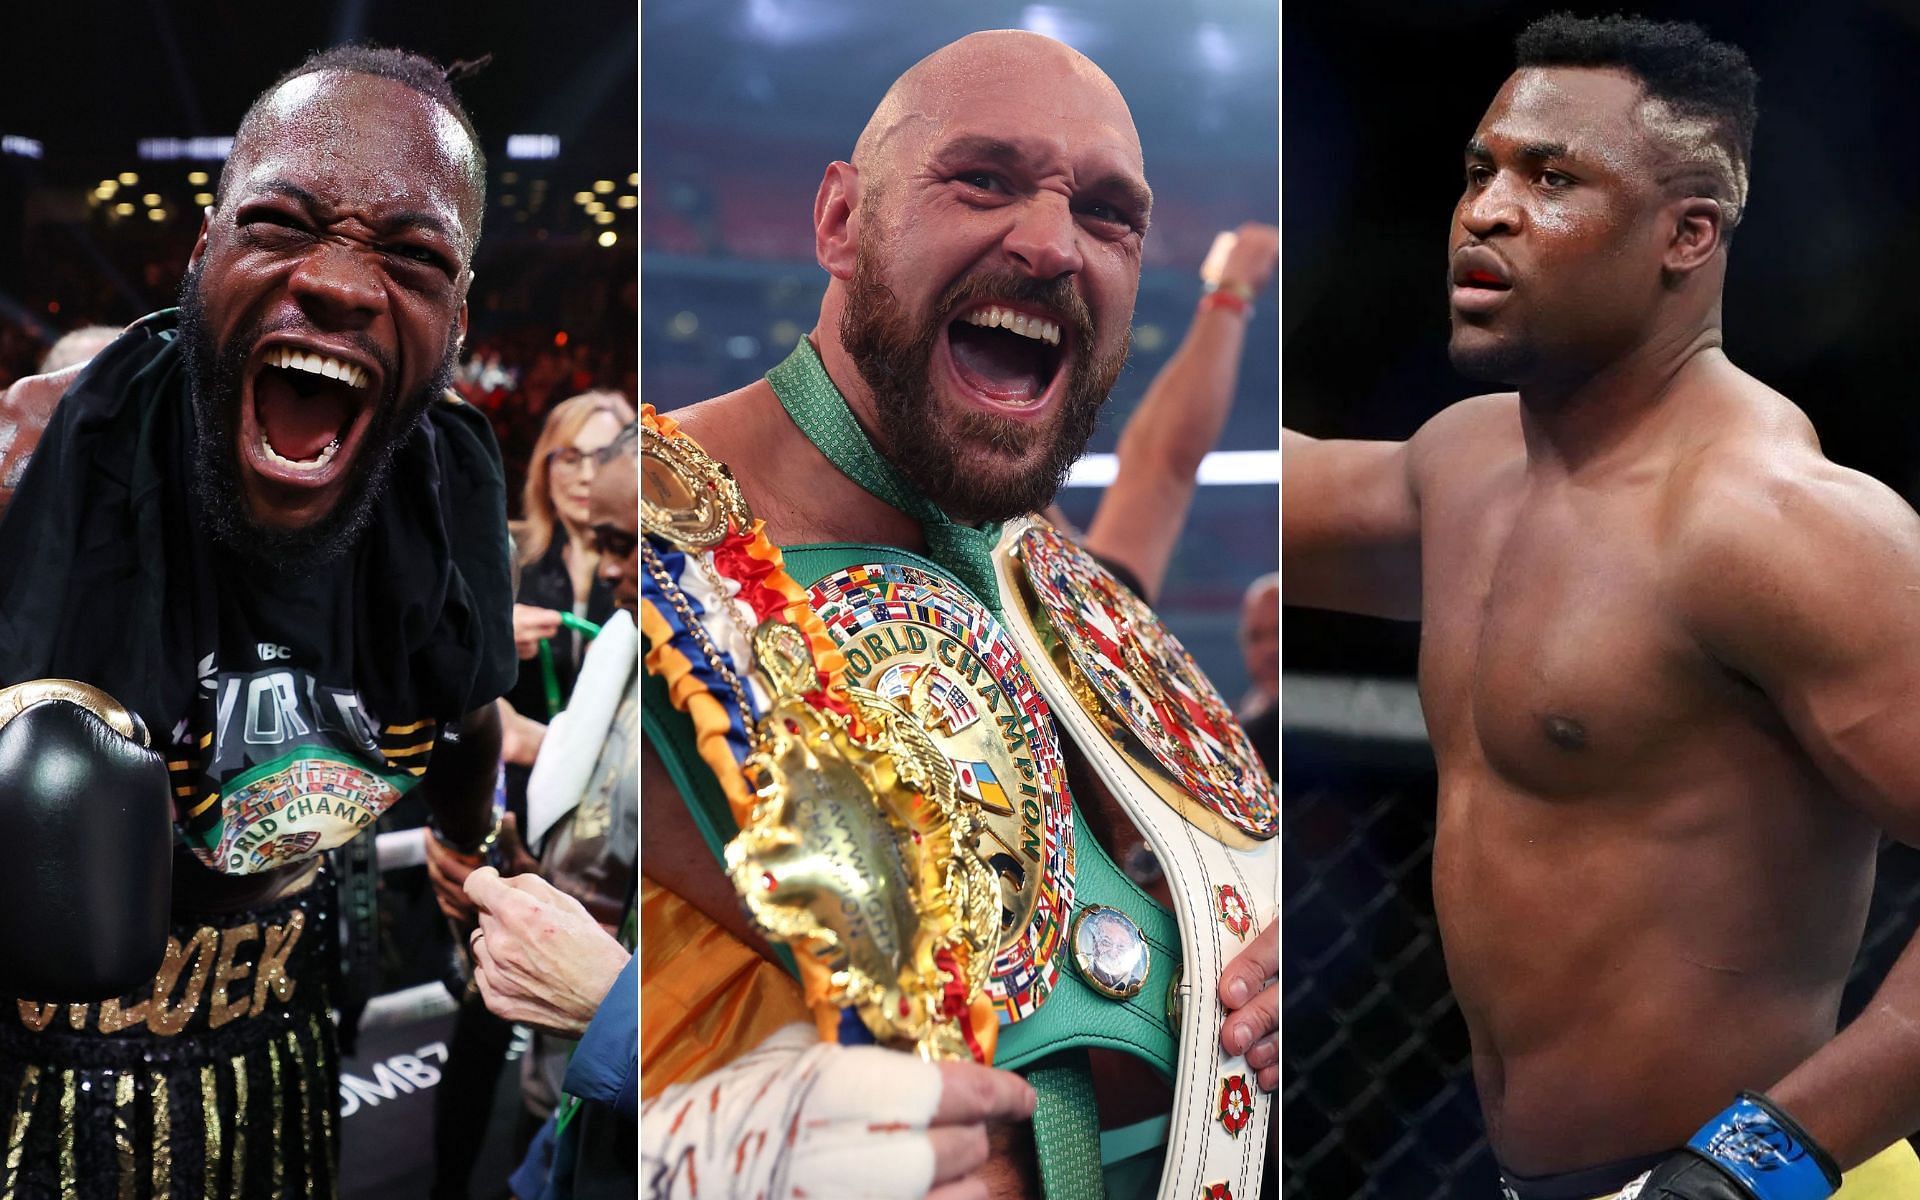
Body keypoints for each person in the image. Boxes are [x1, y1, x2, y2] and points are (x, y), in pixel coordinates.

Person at [1284, 14, 1920, 1199]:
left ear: (1688, 235)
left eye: (1553, 176)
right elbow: (1234, 484)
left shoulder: (1778, 524)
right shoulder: (1465, 471)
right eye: (1481, 170)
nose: (1488, 210)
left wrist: (1760, 1161)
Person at [643, 29, 1275, 1198]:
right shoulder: (655, 564)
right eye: (983, 179)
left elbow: (1164, 471)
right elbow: (545, 969)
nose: (1049, 243)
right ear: (838, 222)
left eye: (1109, 214)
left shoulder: (1057, 585)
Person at [0, 44, 514, 1196]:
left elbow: (470, 704)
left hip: (282, 1057)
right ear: (204, 249)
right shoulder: (32, 472)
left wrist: (465, 844)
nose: (338, 282)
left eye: (412, 254)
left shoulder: (447, 489)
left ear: (458, 316)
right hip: (36, 1090)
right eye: (283, 224)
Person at [432, 389, 632, 1200]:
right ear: (545, 464)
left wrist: (540, 744)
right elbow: (444, 693)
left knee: (563, 1082)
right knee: (483, 1030)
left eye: (604, 454)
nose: (586, 476)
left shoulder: (664, 594)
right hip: (513, 828)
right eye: (571, 456)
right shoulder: (506, 556)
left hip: (597, 862)